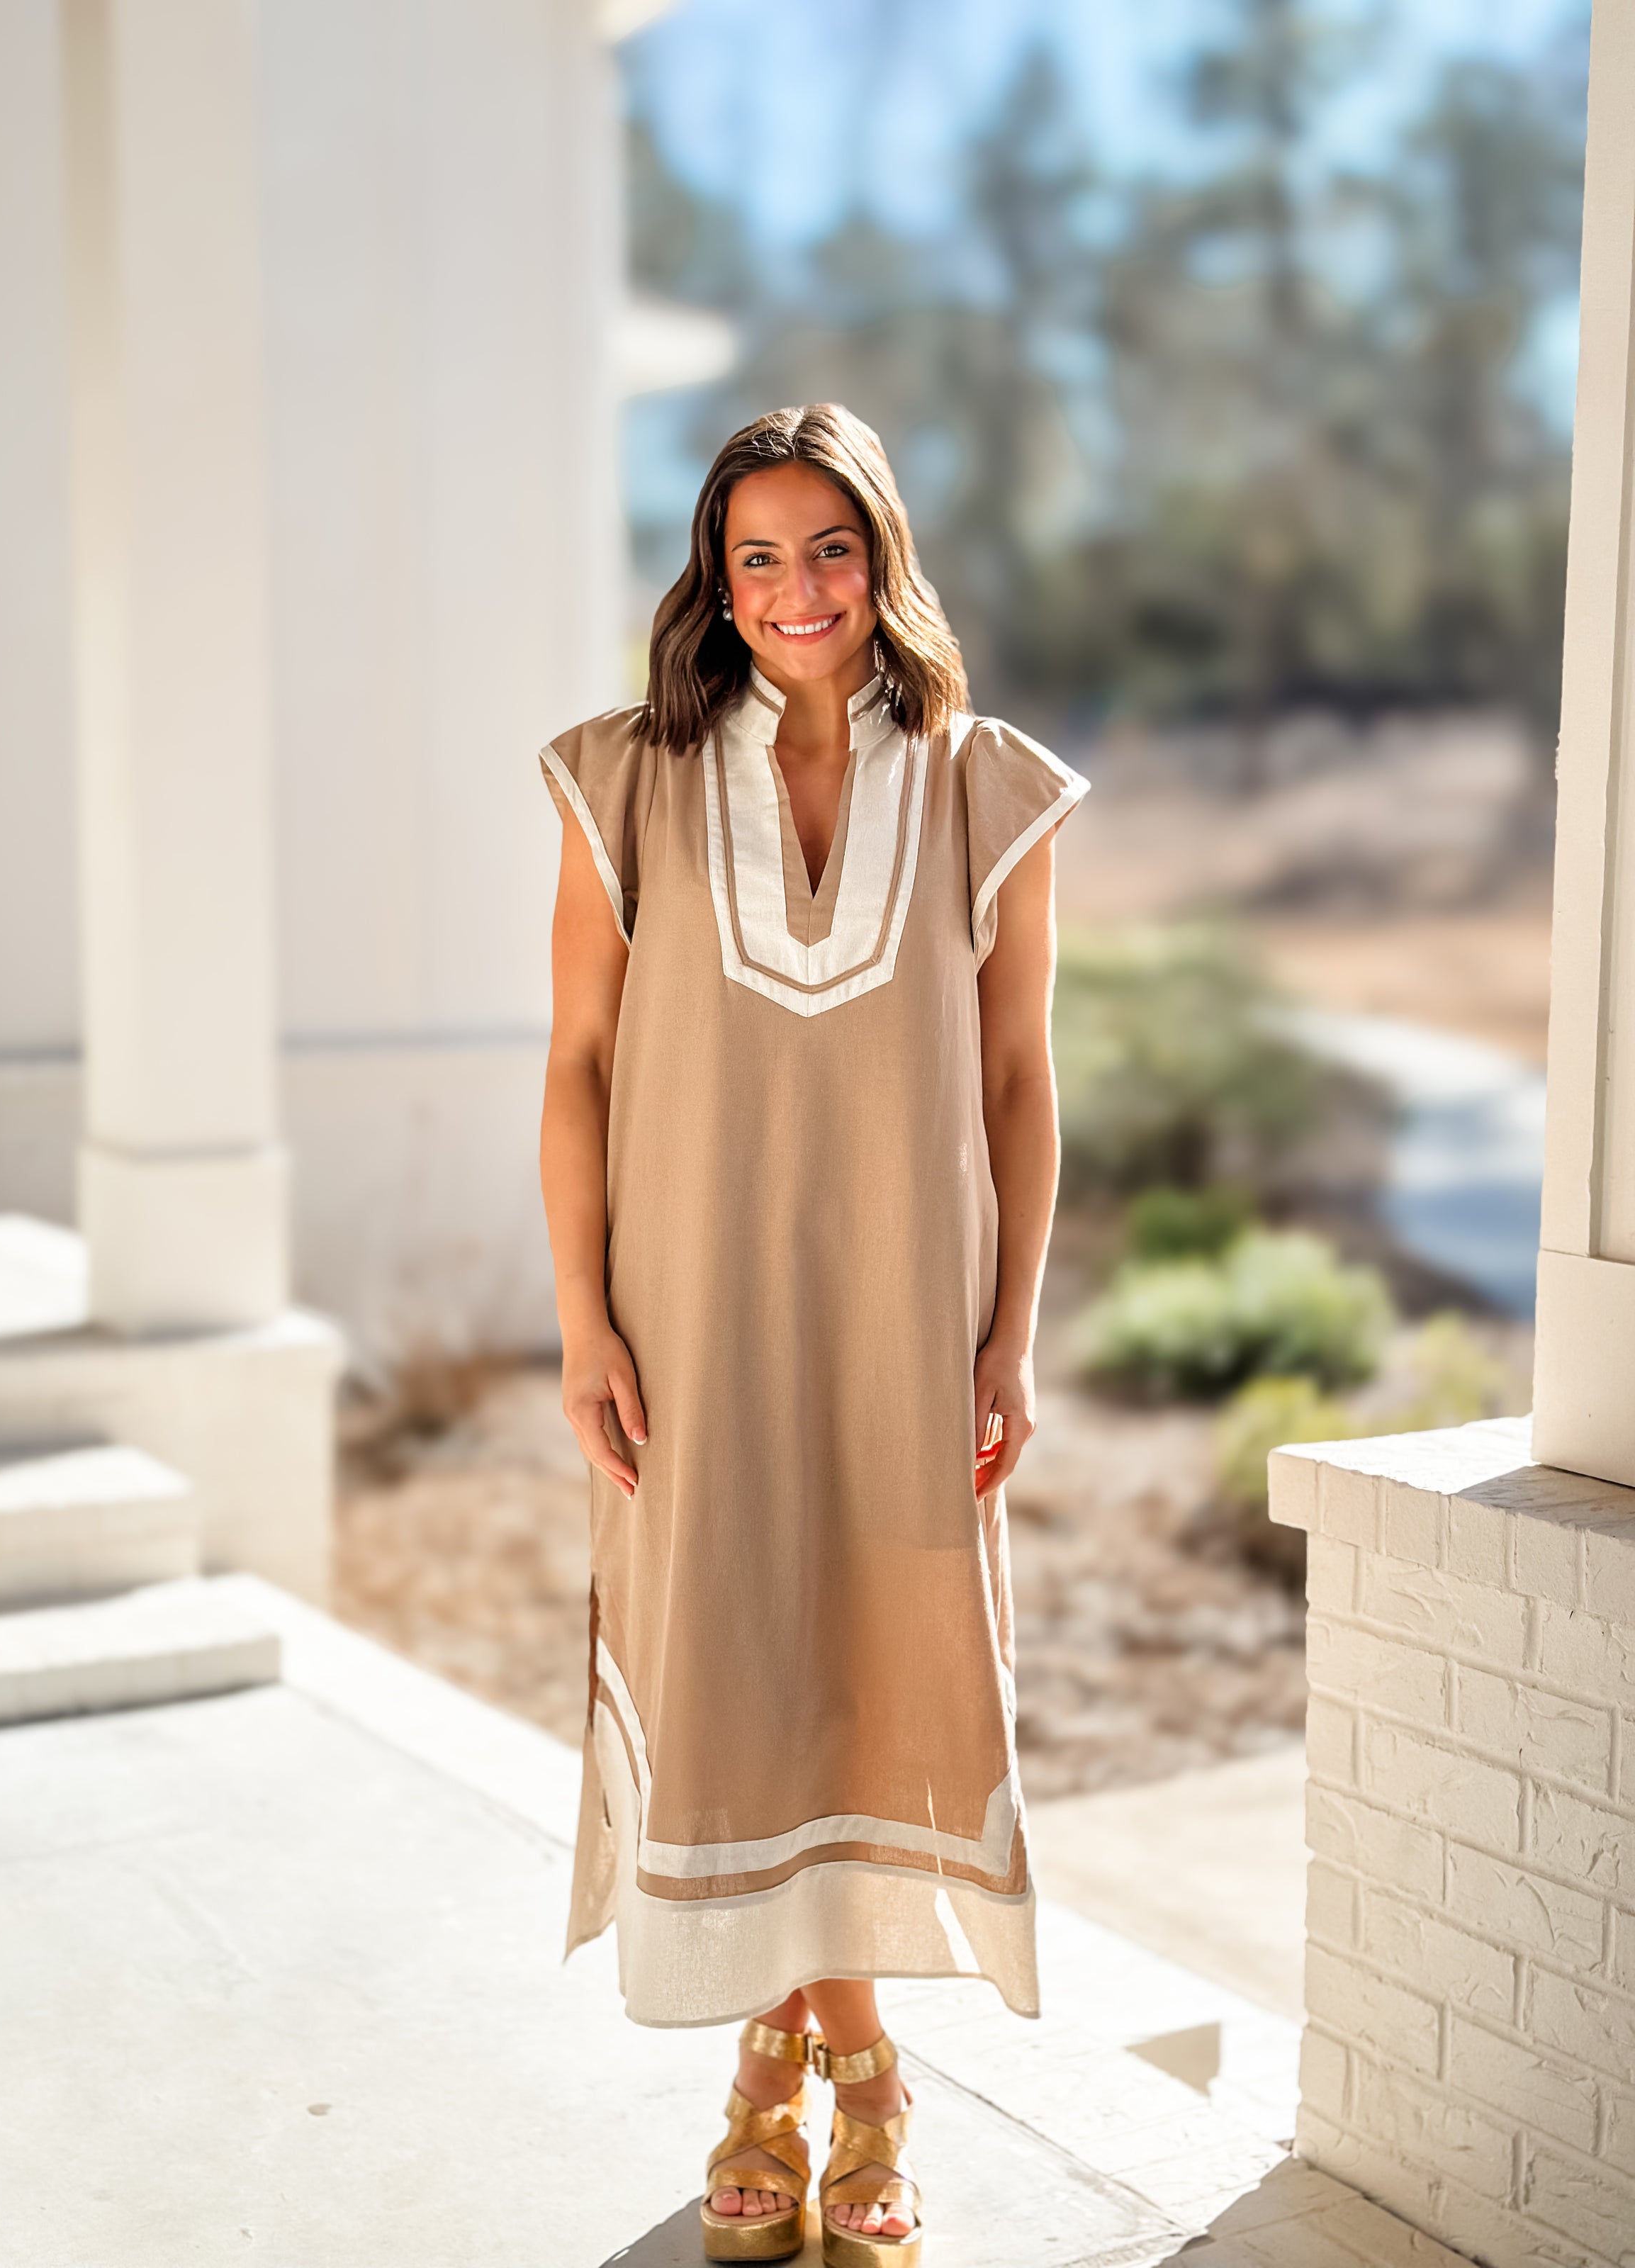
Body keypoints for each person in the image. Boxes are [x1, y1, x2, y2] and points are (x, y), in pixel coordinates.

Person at [539, 402, 1086, 2265]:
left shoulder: (987, 783)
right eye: (757, 555)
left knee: (867, 1666)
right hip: (689, 1313)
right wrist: (583, 1320)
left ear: (883, 559)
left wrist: (1012, 1332)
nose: (797, 589)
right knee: (741, 1664)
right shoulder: (624, 777)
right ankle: (858, 2077)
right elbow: (580, 1063)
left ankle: (781, 2074)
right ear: (714, 577)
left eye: (830, 549)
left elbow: (1018, 1082)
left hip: (905, 1310)